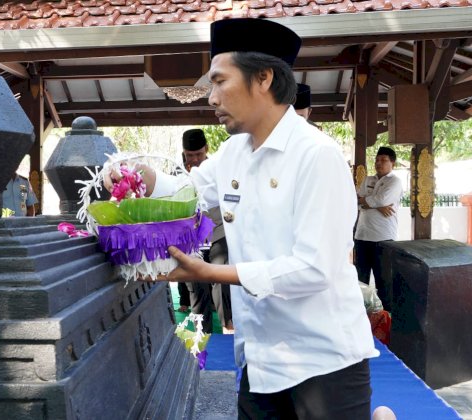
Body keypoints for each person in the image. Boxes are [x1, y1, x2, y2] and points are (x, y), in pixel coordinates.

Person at [106, 18, 376, 419]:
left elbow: (314, 269)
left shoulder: (316, 156)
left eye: (219, 81)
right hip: (261, 358)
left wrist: (211, 273)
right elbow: (187, 194)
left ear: (264, 78)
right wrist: (140, 177)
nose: (211, 97)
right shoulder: (234, 153)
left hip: (324, 362)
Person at [181, 128, 233, 334]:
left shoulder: (218, 168)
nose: (195, 160)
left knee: (223, 280)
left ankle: (228, 328)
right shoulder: (179, 174)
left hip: (219, 232)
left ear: (207, 149)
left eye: (199, 154)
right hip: (191, 239)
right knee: (196, 285)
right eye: (190, 155)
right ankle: (202, 334)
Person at [354, 146, 403, 312]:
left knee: (383, 281)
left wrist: (368, 203)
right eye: (377, 160)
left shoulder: (394, 181)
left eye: (384, 160)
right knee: (360, 280)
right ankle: (360, 315)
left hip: (383, 237)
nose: (379, 163)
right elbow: (357, 199)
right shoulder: (368, 180)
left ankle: (385, 318)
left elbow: (383, 199)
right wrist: (378, 206)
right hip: (362, 235)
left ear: (392, 163)